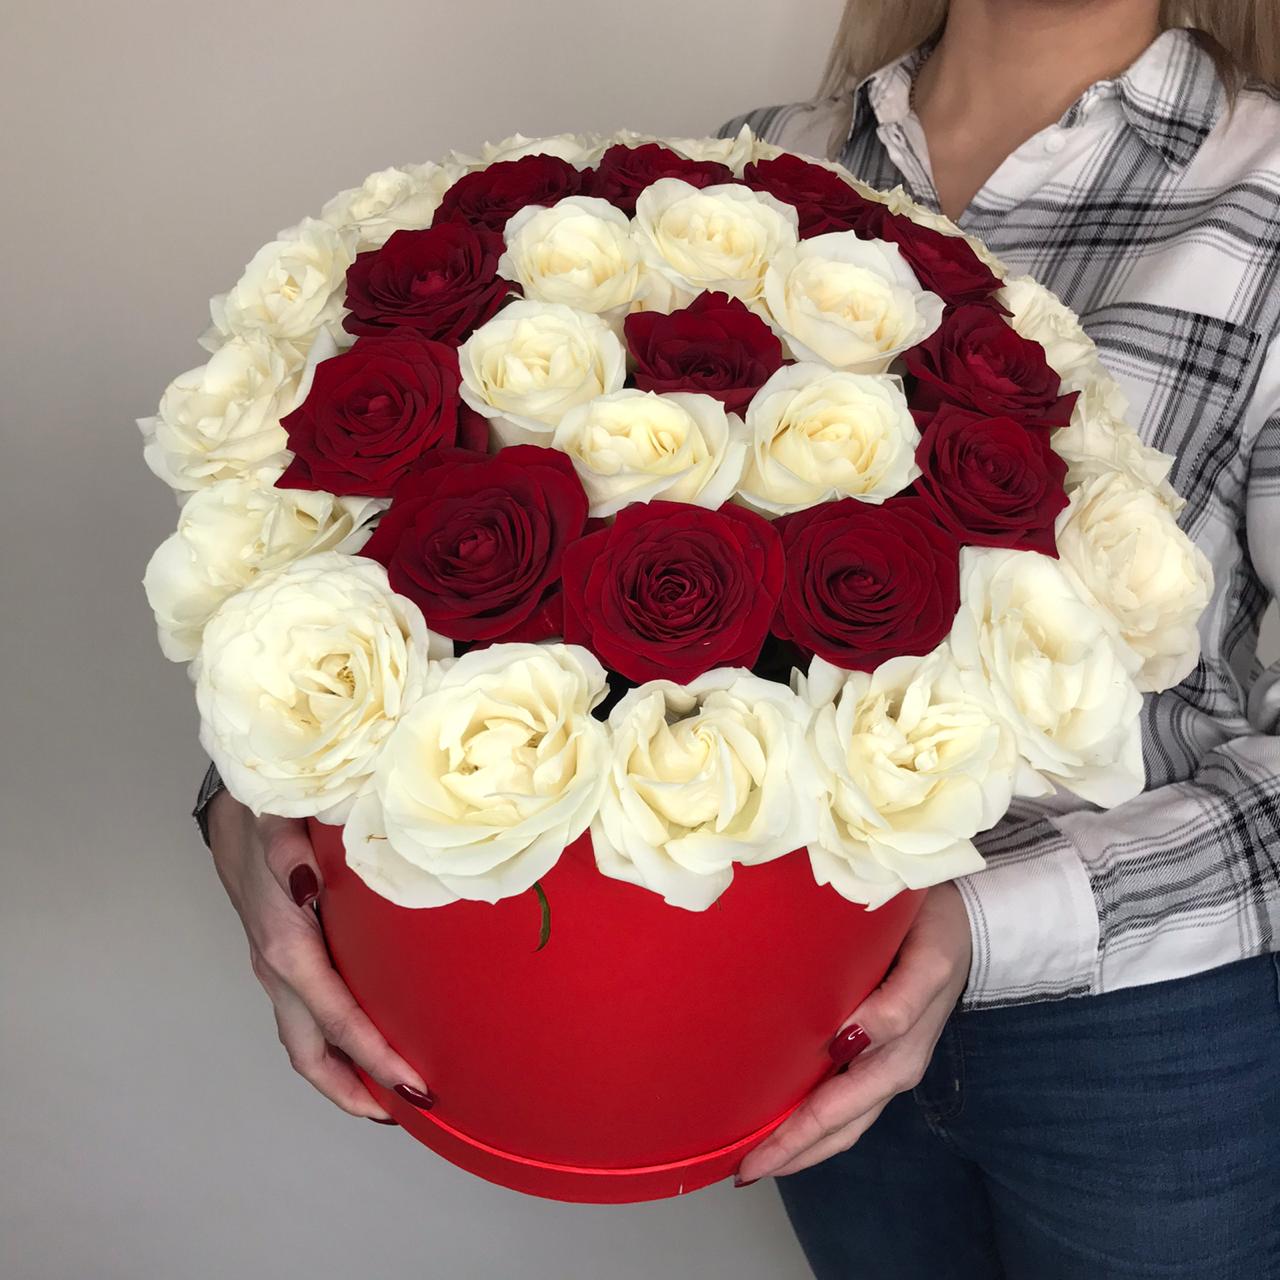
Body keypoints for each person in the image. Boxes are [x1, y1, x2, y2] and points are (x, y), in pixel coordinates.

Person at [199, 0, 1280, 1274]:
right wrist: (258, 800)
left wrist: (978, 920)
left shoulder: (1257, 197)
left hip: (1140, 1035)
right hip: (782, 1005)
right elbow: (413, 551)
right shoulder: (747, 172)